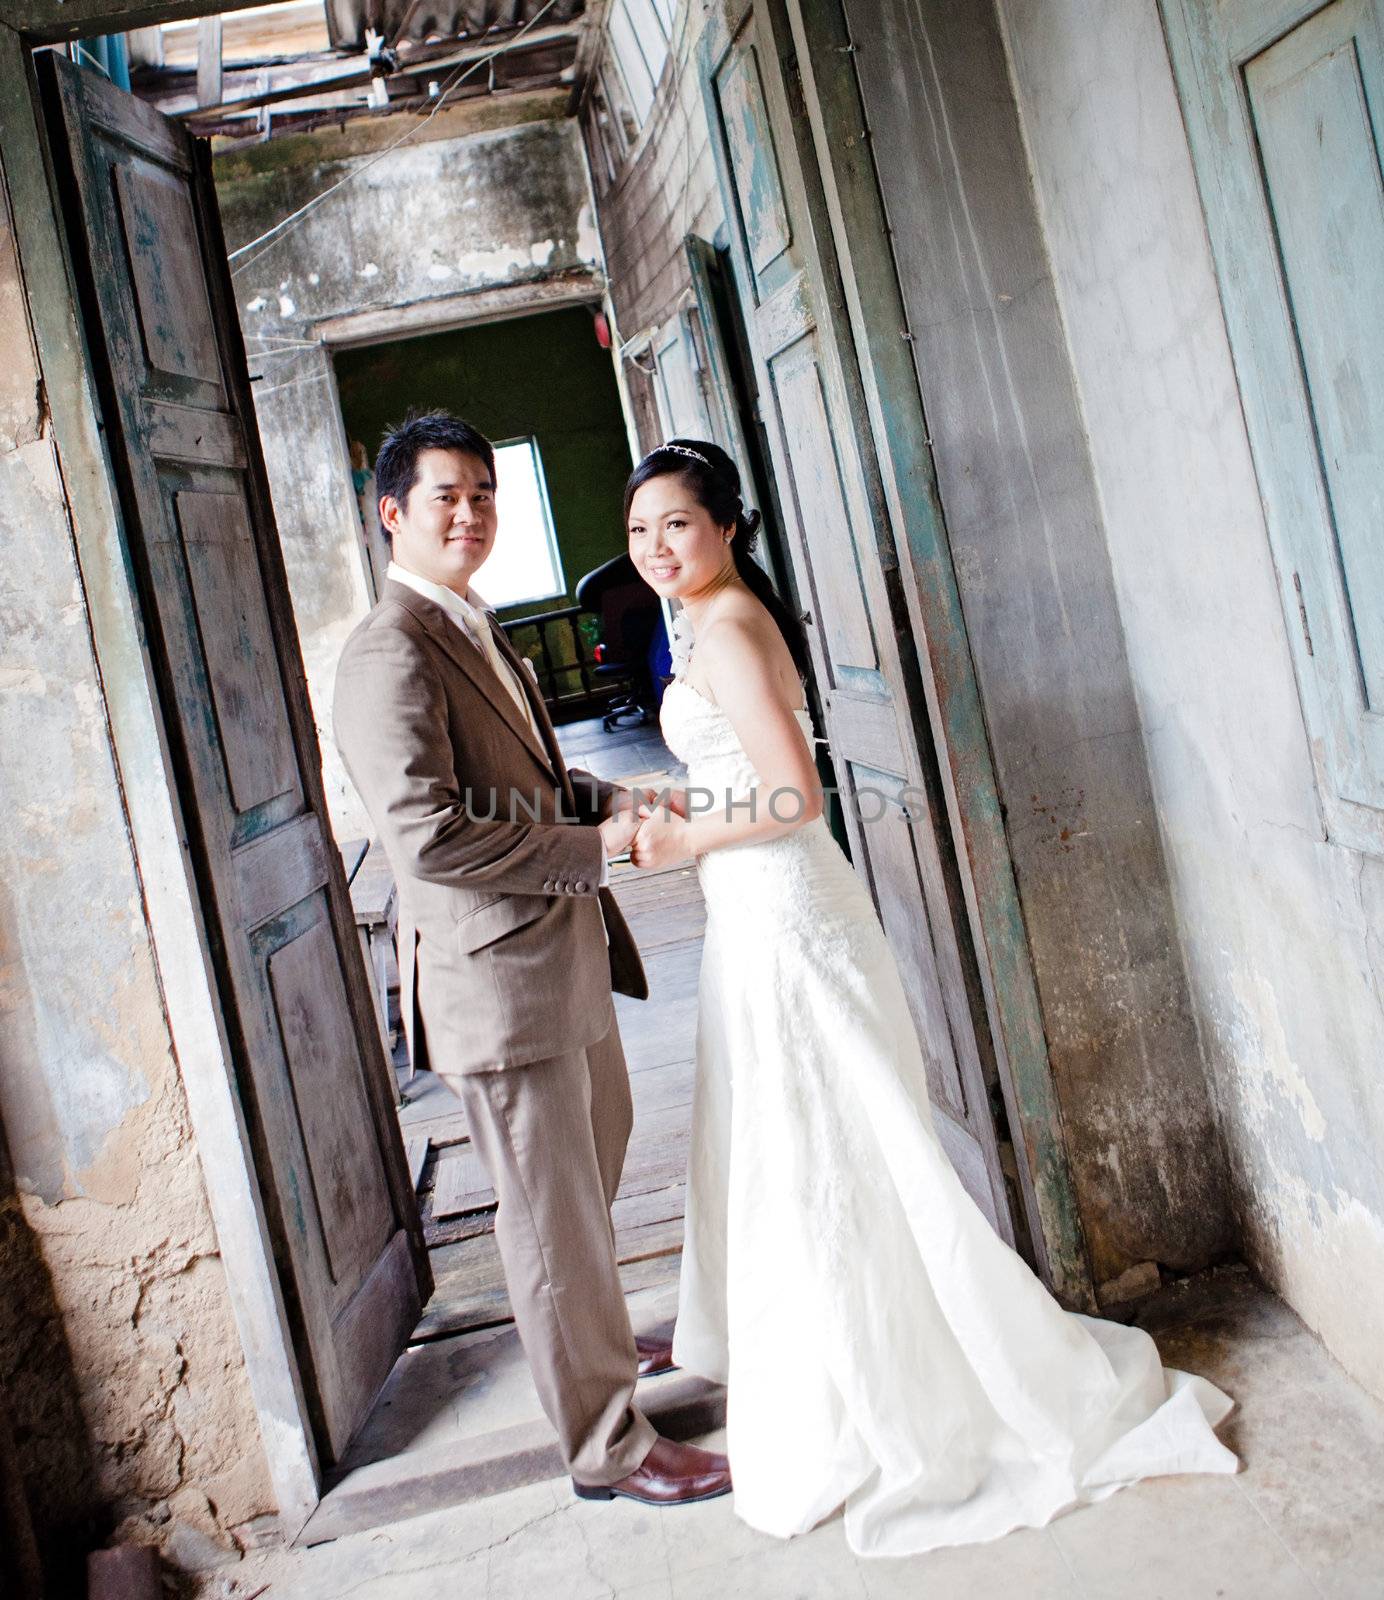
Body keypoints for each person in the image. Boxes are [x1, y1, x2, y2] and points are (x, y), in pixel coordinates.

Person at [623, 437, 1238, 1556]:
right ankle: (832, 1379)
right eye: (639, 530)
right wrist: (681, 802)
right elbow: (744, 767)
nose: (657, 547)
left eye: (676, 523)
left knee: (838, 1146)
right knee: (801, 1147)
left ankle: (899, 1399)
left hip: (784, 906)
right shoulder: (711, 622)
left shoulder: (730, 624)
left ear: (723, 526)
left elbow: (794, 796)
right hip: (753, 912)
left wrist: (680, 841)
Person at [332, 411, 731, 1508]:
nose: (469, 513)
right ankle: (610, 1447)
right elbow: (428, 836)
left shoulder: (471, 623)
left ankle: (595, 1344)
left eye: (483, 493)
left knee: (589, 1172)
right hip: (495, 981)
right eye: (444, 497)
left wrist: (620, 798)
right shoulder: (386, 650)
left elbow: (531, 782)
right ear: (392, 513)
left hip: (556, 963)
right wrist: (592, 847)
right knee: (549, 1221)